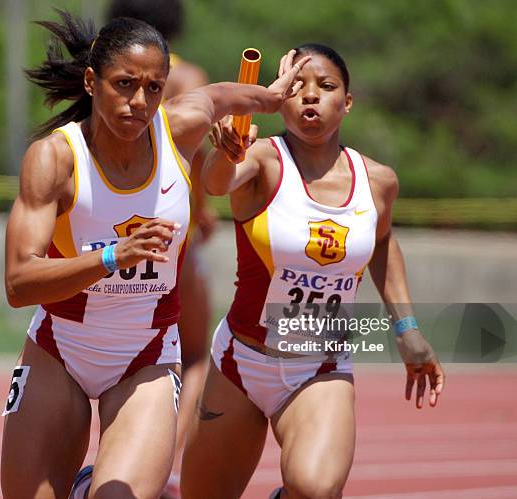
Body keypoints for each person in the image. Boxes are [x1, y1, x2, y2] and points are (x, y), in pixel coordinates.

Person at [0, 10, 307, 499]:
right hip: (60, 350)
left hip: (145, 356)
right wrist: (110, 258)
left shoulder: (178, 130)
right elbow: (19, 283)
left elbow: (222, 96)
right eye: (124, 84)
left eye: (153, 88)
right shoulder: (55, 158)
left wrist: (270, 97)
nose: (138, 102)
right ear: (91, 82)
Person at [181, 45, 446, 499]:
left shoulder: (377, 181)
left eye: (325, 87)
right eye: (298, 87)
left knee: (316, 488)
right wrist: (225, 149)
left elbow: (381, 243)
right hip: (240, 363)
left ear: (346, 102)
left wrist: (407, 329)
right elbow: (216, 183)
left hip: (319, 366)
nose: (310, 97)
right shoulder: (261, 158)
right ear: (279, 98)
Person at [106, 0, 217, 469]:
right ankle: (163, 464)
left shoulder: (103, 69)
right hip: (169, 240)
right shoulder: (189, 78)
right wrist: (203, 213)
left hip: (101, 231)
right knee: (194, 355)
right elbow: (195, 164)